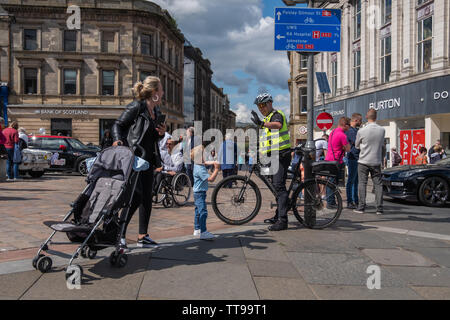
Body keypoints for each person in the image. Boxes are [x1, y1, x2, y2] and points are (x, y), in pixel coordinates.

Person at [111, 76, 166, 250]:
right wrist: (118, 140)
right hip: (134, 159)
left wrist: (162, 133)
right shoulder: (137, 107)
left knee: (147, 198)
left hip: (148, 160)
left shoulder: (156, 112)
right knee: (134, 196)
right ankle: (119, 234)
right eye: (161, 89)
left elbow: (153, 136)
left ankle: (143, 236)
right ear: (154, 92)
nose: (163, 93)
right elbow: (118, 125)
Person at [251, 93, 291, 231]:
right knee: (274, 186)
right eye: (258, 106)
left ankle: (283, 220)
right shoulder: (267, 118)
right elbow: (266, 141)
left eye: (262, 105)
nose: (260, 108)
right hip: (272, 155)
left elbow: (278, 125)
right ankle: (279, 213)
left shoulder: (276, 114)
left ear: (269, 103)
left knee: (279, 186)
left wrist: (261, 123)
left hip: (281, 155)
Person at [354, 109, 386, 215]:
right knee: (378, 184)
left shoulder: (362, 130)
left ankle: (361, 207)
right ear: (376, 117)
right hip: (376, 160)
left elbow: (356, 145)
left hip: (363, 160)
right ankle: (379, 208)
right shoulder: (382, 130)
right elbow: (382, 145)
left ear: (367, 116)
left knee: (362, 183)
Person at [191, 145, 220, 240]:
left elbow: (206, 162)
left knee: (197, 211)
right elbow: (211, 179)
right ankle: (203, 232)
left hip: (197, 192)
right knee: (203, 211)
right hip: (200, 193)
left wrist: (214, 162)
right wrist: (216, 169)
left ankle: (197, 229)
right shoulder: (200, 169)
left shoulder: (198, 164)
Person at [325, 117, 351, 208]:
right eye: (349, 126)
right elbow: (348, 149)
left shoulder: (333, 132)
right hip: (336, 160)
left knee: (329, 181)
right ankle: (330, 202)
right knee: (332, 182)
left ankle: (330, 201)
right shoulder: (342, 135)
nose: (349, 128)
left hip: (328, 159)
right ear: (345, 125)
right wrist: (344, 147)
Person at [345, 113, 362, 209]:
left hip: (356, 157)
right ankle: (350, 201)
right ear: (356, 120)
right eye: (360, 120)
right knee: (351, 181)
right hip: (353, 158)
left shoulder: (354, 130)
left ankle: (355, 200)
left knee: (355, 181)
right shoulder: (351, 131)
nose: (361, 122)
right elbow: (357, 143)